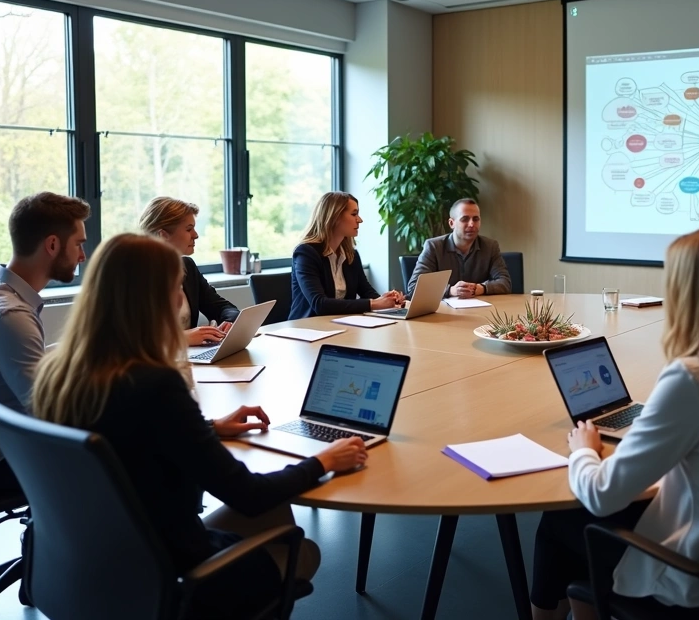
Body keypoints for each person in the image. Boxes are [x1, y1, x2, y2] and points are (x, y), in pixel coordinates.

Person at [32, 233, 368, 619]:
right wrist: (325, 460)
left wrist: (207, 427)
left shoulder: (57, 373)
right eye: (176, 288)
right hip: (168, 569)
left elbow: (128, 435)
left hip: (92, 560)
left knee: (278, 518)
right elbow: (248, 494)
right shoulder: (155, 385)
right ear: (155, 300)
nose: (181, 299)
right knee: (302, 549)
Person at [530, 227, 699, 620]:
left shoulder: (692, 377)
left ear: (686, 293)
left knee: (560, 518)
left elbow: (602, 494)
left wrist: (584, 450)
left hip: (693, 567)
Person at [0, 191, 90, 491]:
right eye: (78, 244)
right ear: (52, 245)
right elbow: (49, 413)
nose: (82, 255)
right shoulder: (10, 316)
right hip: (6, 461)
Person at [289, 191, 403, 319]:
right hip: (306, 330)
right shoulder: (306, 253)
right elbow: (320, 304)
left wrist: (388, 300)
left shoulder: (351, 254)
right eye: (354, 214)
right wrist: (374, 303)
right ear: (334, 217)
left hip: (341, 325)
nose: (360, 220)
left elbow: (366, 291)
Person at [140, 197, 236, 346]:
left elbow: (223, 307)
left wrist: (229, 323)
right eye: (189, 229)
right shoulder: (134, 274)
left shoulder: (187, 266)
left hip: (189, 360)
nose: (195, 235)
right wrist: (182, 338)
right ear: (162, 235)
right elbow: (131, 338)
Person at [406, 198, 511, 299]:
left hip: (481, 312)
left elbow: (505, 283)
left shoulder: (490, 246)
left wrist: (479, 288)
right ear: (452, 223)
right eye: (465, 219)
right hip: (443, 313)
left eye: (476, 219)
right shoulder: (433, 247)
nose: (471, 224)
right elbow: (414, 288)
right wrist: (450, 291)